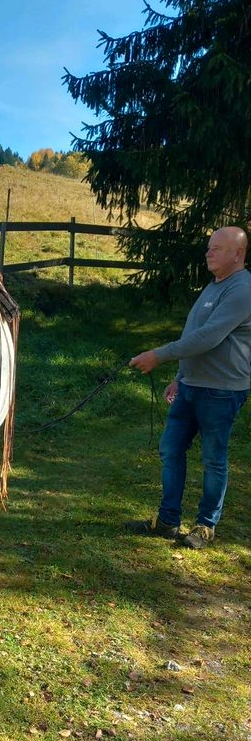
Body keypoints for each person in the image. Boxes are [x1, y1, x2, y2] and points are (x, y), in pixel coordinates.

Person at [126, 226, 251, 549]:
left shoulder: (243, 289)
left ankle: (206, 525)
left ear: (238, 254)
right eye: (209, 247)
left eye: (217, 248)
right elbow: (192, 334)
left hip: (221, 392)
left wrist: (158, 356)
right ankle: (168, 520)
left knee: (213, 459)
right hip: (191, 386)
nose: (208, 253)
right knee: (170, 450)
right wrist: (179, 377)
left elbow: (210, 337)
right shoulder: (213, 287)